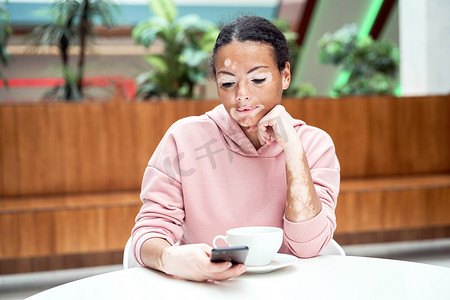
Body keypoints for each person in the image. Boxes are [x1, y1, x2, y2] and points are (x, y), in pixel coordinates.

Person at [131, 16, 340, 282]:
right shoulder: (183, 138)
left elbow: (308, 247)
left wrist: (292, 149)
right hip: (208, 289)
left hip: (291, 290)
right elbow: (149, 234)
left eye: (258, 79)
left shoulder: (314, 145)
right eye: (227, 83)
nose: (241, 94)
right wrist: (171, 258)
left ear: (285, 75)